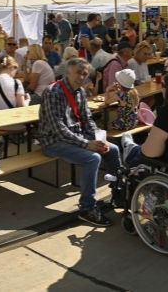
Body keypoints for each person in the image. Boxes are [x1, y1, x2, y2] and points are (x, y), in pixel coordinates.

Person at [40, 58, 120, 227]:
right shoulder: (52, 91)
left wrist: (98, 139)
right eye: (78, 72)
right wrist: (86, 144)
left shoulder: (80, 92)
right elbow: (58, 128)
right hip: (53, 141)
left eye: (84, 74)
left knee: (112, 149)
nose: (81, 77)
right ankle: (87, 208)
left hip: (75, 138)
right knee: (92, 158)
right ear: (67, 71)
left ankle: (119, 193)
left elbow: (87, 119)